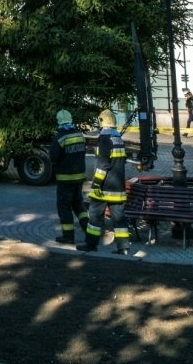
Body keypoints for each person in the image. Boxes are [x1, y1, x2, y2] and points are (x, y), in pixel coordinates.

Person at [79, 108, 132, 255]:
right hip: (118, 189)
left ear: (101, 122)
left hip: (103, 189)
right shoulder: (118, 139)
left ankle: (90, 245)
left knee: (95, 218)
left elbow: (103, 166)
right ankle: (124, 247)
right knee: (119, 220)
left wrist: (96, 185)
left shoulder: (104, 140)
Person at [48, 110, 88, 244]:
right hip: (79, 178)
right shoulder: (79, 135)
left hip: (65, 179)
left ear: (58, 122)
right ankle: (89, 231)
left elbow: (53, 157)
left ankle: (68, 236)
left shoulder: (60, 138)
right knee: (78, 204)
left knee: (64, 207)